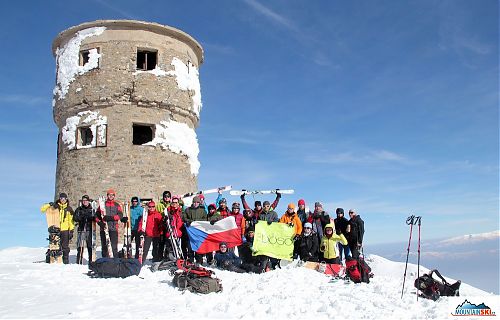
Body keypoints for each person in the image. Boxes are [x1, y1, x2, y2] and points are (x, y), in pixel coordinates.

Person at [40, 192, 75, 264]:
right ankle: (53, 259)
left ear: (66, 199)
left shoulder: (69, 209)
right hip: (55, 229)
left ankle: (65, 260)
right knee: (54, 245)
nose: (62, 200)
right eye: (61, 198)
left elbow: (71, 221)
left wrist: (71, 230)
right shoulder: (55, 207)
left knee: (65, 246)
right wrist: (49, 204)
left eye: (64, 198)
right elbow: (42, 209)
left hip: (65, 229)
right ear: (59, 199)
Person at [96, 189, 123, 258]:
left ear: (114, 196)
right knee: (104, 246)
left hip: (113, 228)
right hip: (104, 228)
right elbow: (96, 216)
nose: (111, 196)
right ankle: (105, 261)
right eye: (109, 195)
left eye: (112, 195)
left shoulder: (117, 205)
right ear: (107, 196)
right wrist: (100, 223)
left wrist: (111, 218)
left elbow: (120, 215)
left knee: (114, 246)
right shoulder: (102, 205)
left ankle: (115, 262)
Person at [182, 195, 207, 263]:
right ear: (192, 202)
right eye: (194, 202)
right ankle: (191, 261)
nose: (196, 203)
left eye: (197, 202)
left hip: (198, 233)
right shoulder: (188, 210)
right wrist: (188, 221)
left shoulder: (202, 211)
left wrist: (196, 221)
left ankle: (199, 261)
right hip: (190, 233)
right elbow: (184, 217)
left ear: (199, 203)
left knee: (198, 247)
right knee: (190, 247)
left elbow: (205, 219)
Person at [74, 195, 95, 264]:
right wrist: (81, 218)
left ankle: (91, 261)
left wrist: (91, 217)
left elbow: (95, 217)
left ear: (88, 201)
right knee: (80, 246)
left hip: (89, 229)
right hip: (81, 229)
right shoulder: (79, 209)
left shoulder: (92, 209)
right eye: (83, 201)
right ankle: (79, 261)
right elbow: (75, 218)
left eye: (86, 200)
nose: (85, 202)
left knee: (90, 246)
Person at [164, 196, 184, 260]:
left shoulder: (180, 212)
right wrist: (165, 219)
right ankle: (169, 258)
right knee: (169, 247)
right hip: (170, 232)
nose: (175, 204)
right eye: (173, 202)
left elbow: (182, 222)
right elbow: (165, 221)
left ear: (178, 203)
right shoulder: (168, 211)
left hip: (178, 232)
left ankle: (178, 258)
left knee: (177, 247)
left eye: (176, 202)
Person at [155, 190, 172, 261]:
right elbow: (156, 214)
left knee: (168, 242)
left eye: (168, 196)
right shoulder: (159, 205)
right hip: (161, 226)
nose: (166, 198)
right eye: (165, 196)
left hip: (169, 226)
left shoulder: (171, 205)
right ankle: (159, 256)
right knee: (161, 242)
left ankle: (167, 256)